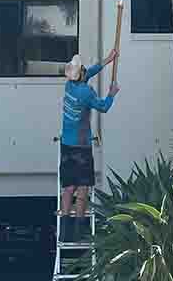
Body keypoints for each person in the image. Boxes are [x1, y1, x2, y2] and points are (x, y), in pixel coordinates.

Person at [59, 49, 120, 242]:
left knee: (68, 187)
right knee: (83, 186)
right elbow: (103, 107)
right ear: (82, 74)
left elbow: (87, 73)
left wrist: (106, 61)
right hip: (81, 147)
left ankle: (64, 230)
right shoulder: (86, 92)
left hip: (66, 144)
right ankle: (78, 230)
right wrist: (111, 94)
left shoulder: (69, 85)